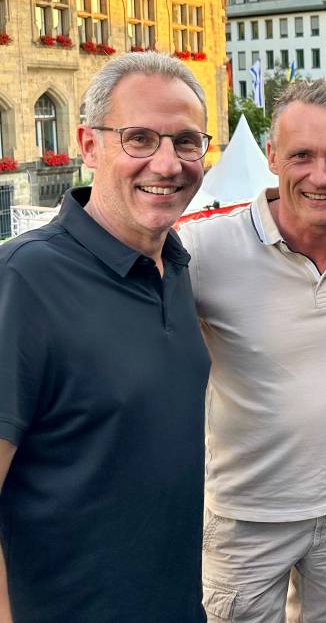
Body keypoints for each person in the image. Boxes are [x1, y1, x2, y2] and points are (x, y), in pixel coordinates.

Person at [177, 80, 326, 623]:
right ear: (273, 156)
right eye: (301, 155)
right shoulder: (204, 252)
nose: (320, 175)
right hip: (245, 518)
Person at [0, 54, 210, 622]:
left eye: (187, 142)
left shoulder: (176, 266)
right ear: (89, 146)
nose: (167, 164)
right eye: (139, 138)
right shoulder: (24, 278)